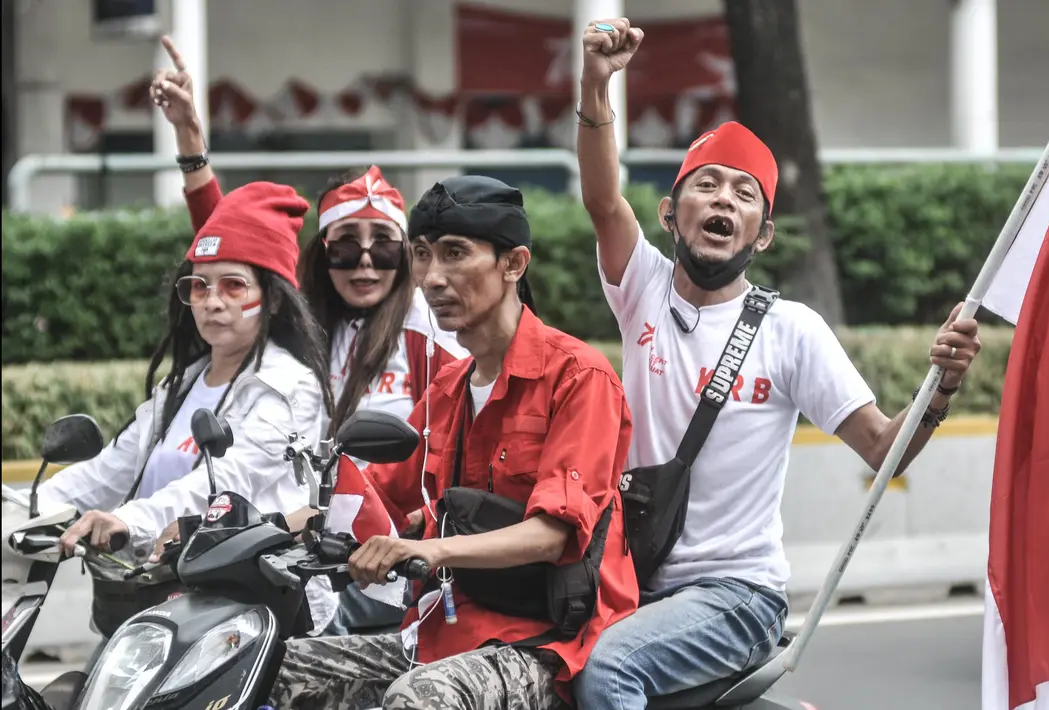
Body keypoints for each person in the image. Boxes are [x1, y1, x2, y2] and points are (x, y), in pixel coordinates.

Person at [571, 18, 984, 709]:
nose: (723, 199)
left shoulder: (791, 330)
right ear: (671, 214)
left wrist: (940, 386)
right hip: (631, 579)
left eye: (743, 193)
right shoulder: (639, 288)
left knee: (608, 673)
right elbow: (600, 195)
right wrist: (595, 82)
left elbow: (884, 449)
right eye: (706, 186)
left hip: (736, 595)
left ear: (760, 235)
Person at [267, 175, 640, 710]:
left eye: (455, 254)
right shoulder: (447, 389)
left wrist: (429, 547)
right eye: (422, 255)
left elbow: (552, 535)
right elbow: (373, 497)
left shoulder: (579, 377)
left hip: (545, 642)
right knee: (273, 668)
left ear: (513, 264)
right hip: (442, 633)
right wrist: (258, 530)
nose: (433, 278)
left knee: (419, 699)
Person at [149, 35, 467, 632]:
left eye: (385, 249)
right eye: (345, 249)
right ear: (322, 256)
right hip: (285, 541)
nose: (366, 266)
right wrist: (192, 145)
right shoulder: (303, 326)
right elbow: (228, 251)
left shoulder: (432, 325)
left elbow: (444, 446)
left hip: (384, 551)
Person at [44, 181, 340, 639]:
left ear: (274, 297)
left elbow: (226, 485)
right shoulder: (181, 385)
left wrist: (128, 521)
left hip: (255, 620)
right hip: (167, 608)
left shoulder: (290, 387)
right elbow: (109, 471)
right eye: (198, 286)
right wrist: (27, 509)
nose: (213, 300)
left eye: (233, 285)